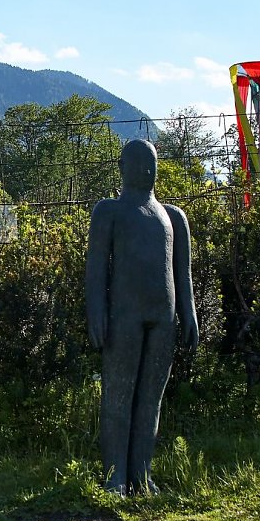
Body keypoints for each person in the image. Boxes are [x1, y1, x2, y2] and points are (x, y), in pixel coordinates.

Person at [86, 140, 198, 495]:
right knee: (118, 396)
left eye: (151, 164)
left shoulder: (173, 217)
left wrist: (189, 313)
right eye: (138, 163)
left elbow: (183, 273)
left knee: (151, 399)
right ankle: (115, 476)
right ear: (122, 167)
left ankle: (141, 475)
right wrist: (97, 312)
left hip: (163, 320)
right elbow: (95, 270)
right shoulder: (109, 212)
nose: (146, 170)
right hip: (124, 318)